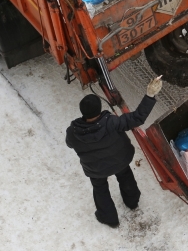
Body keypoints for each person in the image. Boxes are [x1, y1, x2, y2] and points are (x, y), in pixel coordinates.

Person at [65, 76, 163, 227]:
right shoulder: (111, 122)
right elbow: (137, 118)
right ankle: (132, 201)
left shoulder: (73, 132)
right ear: (99, 108)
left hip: (95, 169)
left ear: (82, 112)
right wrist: (150, 95)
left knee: (100, 189)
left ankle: (109, 218)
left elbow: (70, 144)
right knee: (125, 176)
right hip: (120, 161)